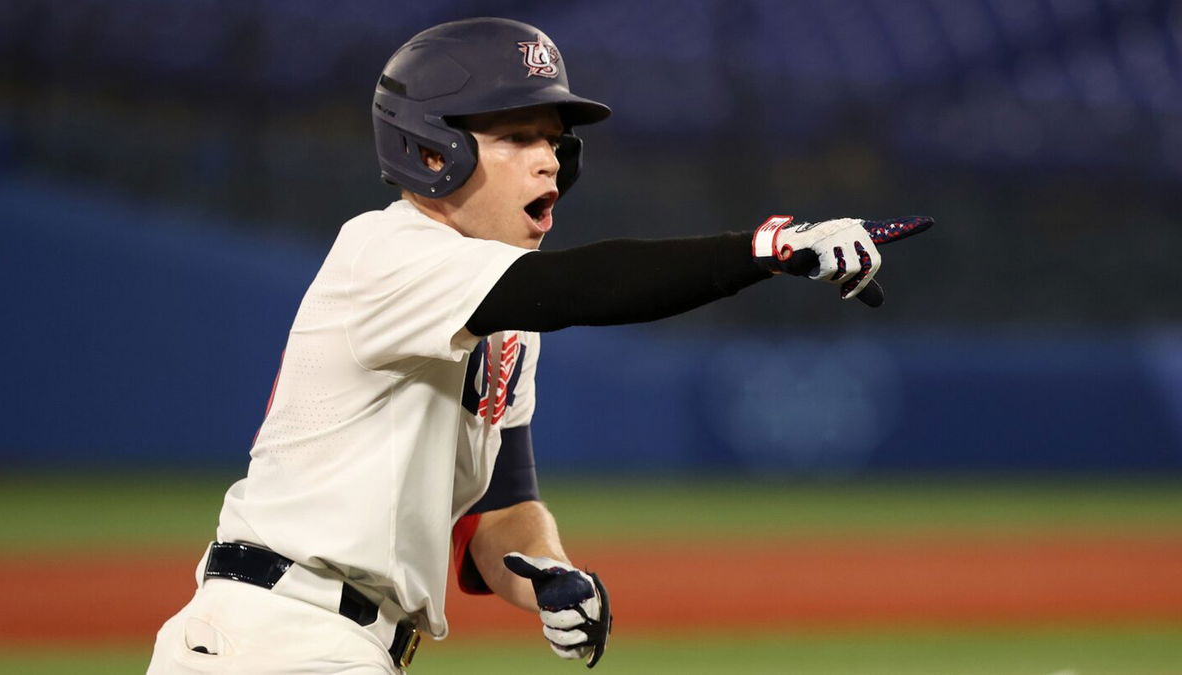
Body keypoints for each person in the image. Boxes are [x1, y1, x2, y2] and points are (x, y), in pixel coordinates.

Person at [147, 16, 930, 675]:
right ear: (429, 150)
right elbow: (593, 285)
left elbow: (502, 511)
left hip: (329, 643)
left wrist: (550, 568)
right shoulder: (387, 251)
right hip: (275, 636)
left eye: (555, 139)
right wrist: (764, 248)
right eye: (517, 134)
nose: (550, 156)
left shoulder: (500, 305)